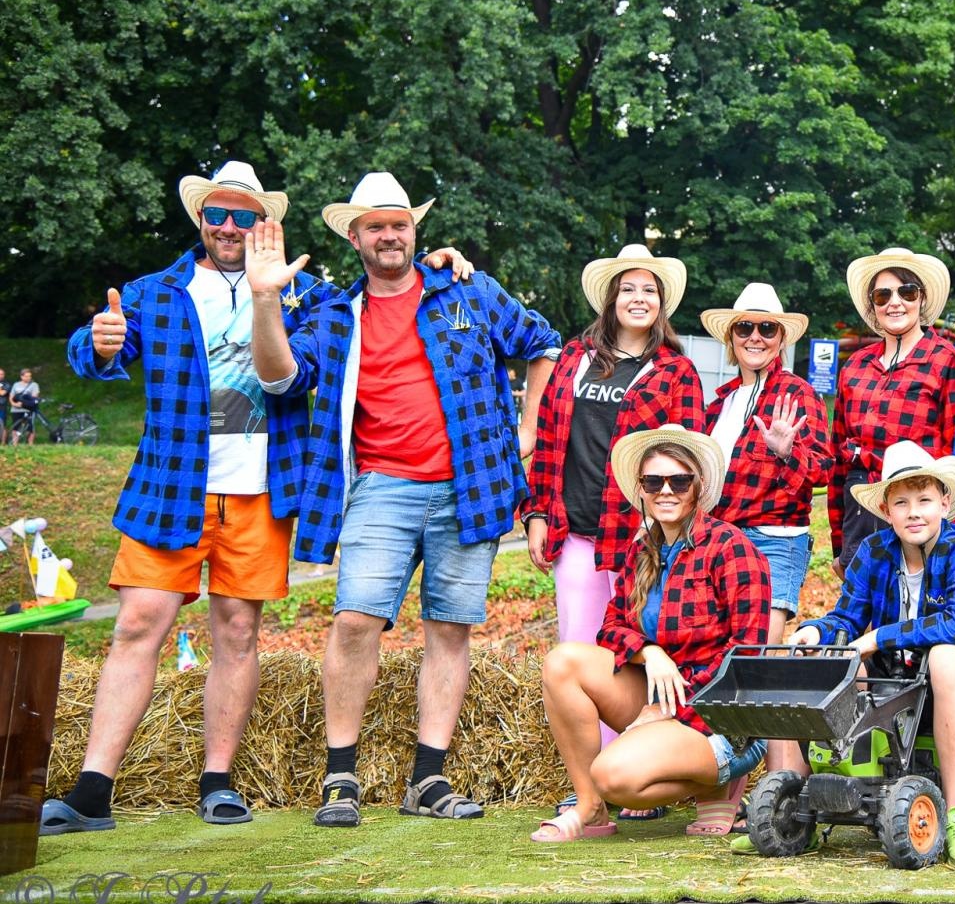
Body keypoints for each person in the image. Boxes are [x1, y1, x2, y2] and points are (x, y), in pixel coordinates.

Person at [43, 161, 348, 834]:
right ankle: (93, 789)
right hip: (170, 486)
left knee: (237, 634)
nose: (231, 226)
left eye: (246, 215)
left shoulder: (309, 298)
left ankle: (218, 781)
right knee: (135, 627)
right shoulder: (157, 292)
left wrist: (268, 299)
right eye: (220, 214)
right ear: (201, 221)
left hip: (259, 491)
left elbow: (292, 382)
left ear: (264, 224)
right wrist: (98, 344)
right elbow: (94, 351)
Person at [248, 171, 561, 828]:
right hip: (380, 487)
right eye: (376, 226)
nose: (390, 235)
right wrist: (265, 302)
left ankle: (429, 778)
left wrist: (529, 426)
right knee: (355, 622)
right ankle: (340, 778)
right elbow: (280, 378)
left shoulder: (467, 291)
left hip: (469, 487)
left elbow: (541, 344)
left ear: (414, 232)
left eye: (400, 223)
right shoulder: (334, 310)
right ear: (355, 237)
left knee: (449, 629)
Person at [519, 243, 705, 806]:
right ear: (611, 298)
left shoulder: (677, 371)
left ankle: (640, 778)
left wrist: (677, 533)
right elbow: (550, 440)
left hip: (644, 538)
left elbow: (689, 458)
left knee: (644, 648)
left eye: (649, 290)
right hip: (576, 530)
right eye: (628, 288)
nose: (639, 298)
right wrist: (535, 514)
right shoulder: (576, 358)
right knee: (580, 654)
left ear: (662, 303)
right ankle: (590, 787)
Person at [533, 426, 770, 842]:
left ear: (698, 485)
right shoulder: (645, 550)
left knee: (613, 775)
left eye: (678, 481)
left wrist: (672, 712)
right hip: (660, 697)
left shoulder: (731, 548)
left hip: (720, 718)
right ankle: (589, 807)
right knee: (561, 663)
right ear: (641, 489)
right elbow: (612, 626)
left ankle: (721, 780)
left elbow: (746, 658)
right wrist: (650, 652)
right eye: (653, 481)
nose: (666, 491)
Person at [792, 443, 955, 868]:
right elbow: (848, 616)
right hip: (895, 687)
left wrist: (881, 637)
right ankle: (795, 801)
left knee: (945, 656)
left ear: (944, 503)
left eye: (924, 500)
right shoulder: (874, 553)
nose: (914, 512)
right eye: (902, 502)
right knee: (829, 659)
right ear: (885, 508)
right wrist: (817, 631)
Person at [699, 282, 829, 782]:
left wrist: (784, 451)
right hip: (722, 543)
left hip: (776, 539)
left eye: (766, 328)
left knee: (763, 664)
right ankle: (737, 789)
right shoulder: (720, 405)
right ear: (732, 337)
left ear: (781, 338)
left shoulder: (796, 394)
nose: (755, 336)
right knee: (729, 664)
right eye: (745, 328)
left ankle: (785, 789)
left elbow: (820, 471)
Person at [829, 247, 955, 578]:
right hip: (861, 509)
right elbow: (839, 460)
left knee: (915, 619)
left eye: (905, 291)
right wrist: (840, 542)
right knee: (861, 618)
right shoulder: (855, 366)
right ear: (873, 305)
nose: (894, 302)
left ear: (921, 299)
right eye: (883, 295)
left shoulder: (948, 361)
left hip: (918, 512)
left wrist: (946, 531)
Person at [8, 368, 39, 444]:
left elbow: (34, 396)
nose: (28, 378)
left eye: (30, 376)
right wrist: (14, 404)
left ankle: (30, 444)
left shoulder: (34, 385)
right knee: (16, 427)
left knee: (30, 428)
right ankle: (15, 444)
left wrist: (24, 403)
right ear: (21, 376)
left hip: (28, 409)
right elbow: (11, 396)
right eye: (26, 376)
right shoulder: (16, 384)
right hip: (16, 409)